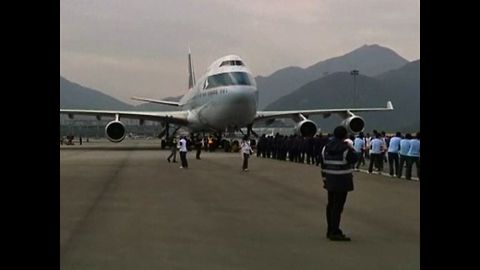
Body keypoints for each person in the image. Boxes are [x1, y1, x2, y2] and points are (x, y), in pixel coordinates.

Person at [320, 126, 358, 241]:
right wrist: (352, 148)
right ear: (345, 136)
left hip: (330, 180)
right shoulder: (346, 148)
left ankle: (330, 229)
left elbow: (322, 163)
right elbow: (354, 159)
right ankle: (335, 231)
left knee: (331, 205)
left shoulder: (325, 148)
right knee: (338, 207)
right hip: (342, 181)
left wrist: (325, 180)